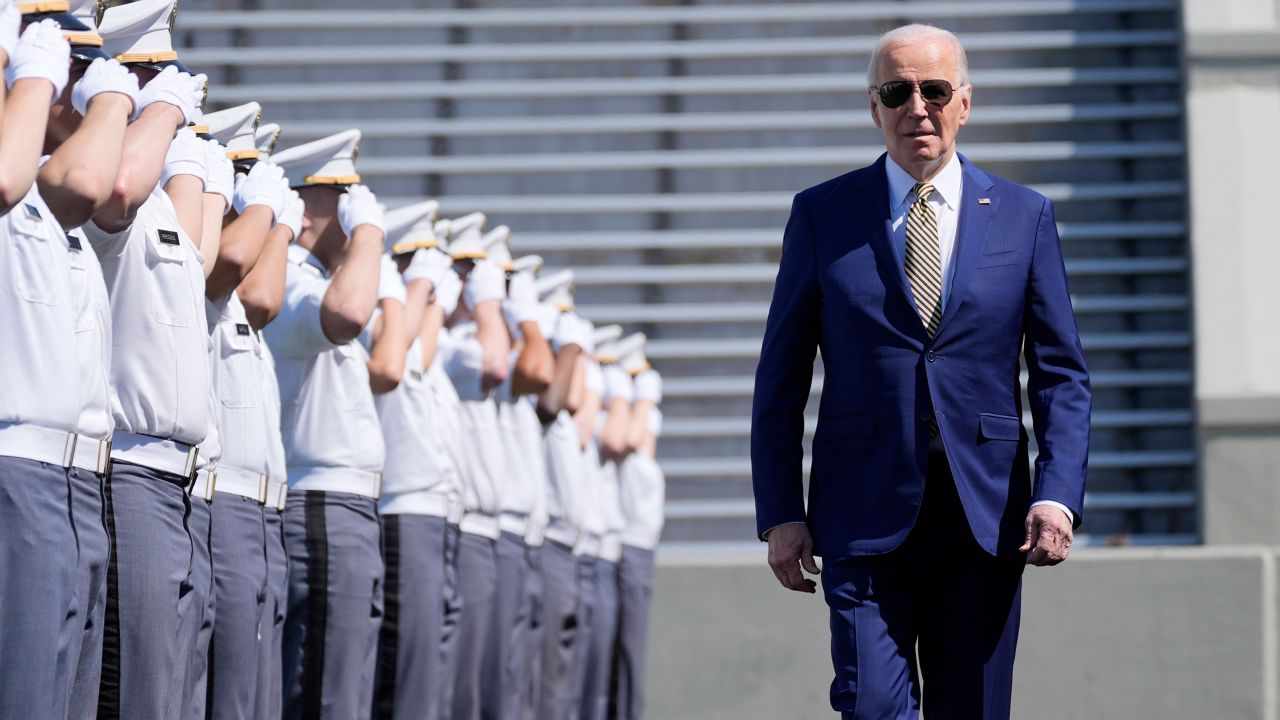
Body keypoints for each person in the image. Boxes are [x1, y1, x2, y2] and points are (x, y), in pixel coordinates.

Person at [751, 23, 1091, 719]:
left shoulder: (1024, 217)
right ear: (872, 106)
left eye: (934, 90)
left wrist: (1057, 494)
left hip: (985, 513)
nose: (918, 107)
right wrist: (781, 512)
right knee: (872, 705)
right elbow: (781, 377)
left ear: (964, 103)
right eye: (896, 91)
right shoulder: (822, 215)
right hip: (860, 515)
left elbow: (1060, 374)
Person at [264, 128, 388, 720]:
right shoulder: (289, 277)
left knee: (346, 686)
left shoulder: (313, 278)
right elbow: (347, 314)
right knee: (322, 692)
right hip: (318, 504)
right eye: (343, 195)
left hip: (346, 507)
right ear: (308, 207)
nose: (355, 203)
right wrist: (369, 235)